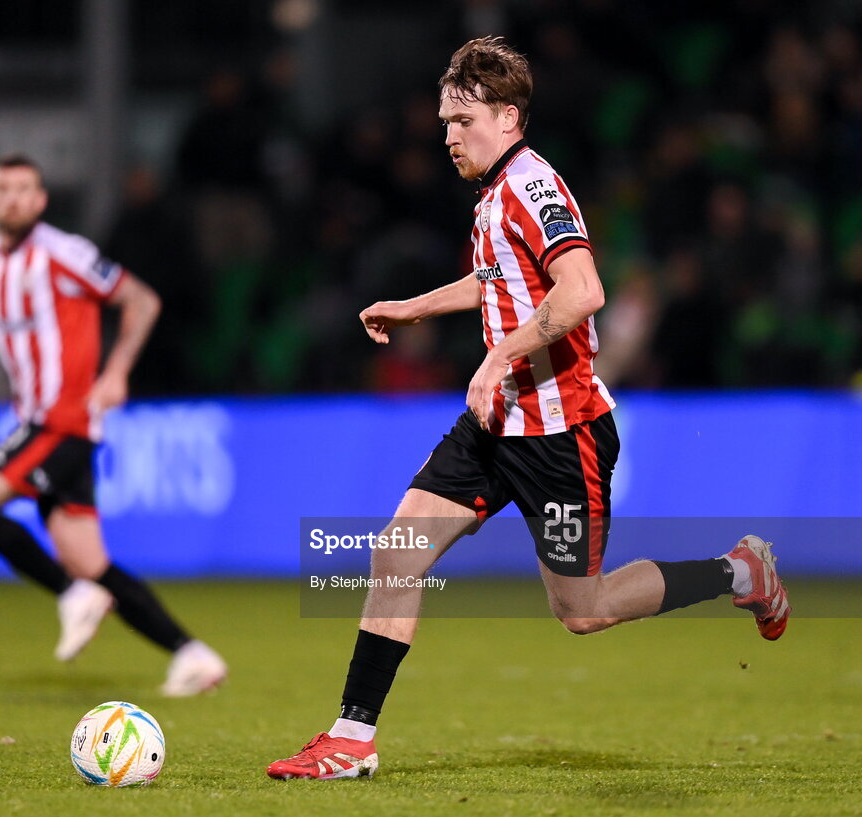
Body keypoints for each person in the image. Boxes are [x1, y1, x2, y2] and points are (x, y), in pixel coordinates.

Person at [266, 37, 790, 780]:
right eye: (444, 121)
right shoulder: (492, 190)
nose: (449, 135)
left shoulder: (533, 185)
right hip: (496, 423)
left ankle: (739, 573)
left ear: (509, 117)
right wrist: (416, 307)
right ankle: (351, 737)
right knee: (399, 548)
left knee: (584, 608)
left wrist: (496, 356)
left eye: (463, 119)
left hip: (560, 434)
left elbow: (582, 291)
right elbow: (496, 278)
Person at [0, 153, 226, 697]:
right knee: (92, 562)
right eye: (2, 188)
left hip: (61, 419)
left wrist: (116, 372)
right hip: (47, 424)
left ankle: (70, 593)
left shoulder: (65, 254)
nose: (13, 198)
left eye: (24, 189)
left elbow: (142, 300)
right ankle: (192, 655)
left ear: (40, 201)